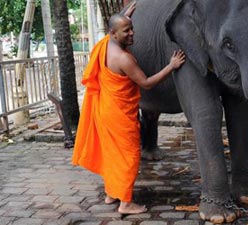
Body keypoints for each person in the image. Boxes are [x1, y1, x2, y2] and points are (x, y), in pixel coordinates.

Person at [72, 12, 185, 215]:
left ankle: (110, 194)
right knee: (129, 156)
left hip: (105, 110)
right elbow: (146, 83)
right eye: (127, 31)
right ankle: (125, 202)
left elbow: (114, 28)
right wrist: (171, 66)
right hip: (119, 116)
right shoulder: (124, 59)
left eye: (132, 28)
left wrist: (124, 16)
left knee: (112, 154)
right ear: (114, 33)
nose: (133, 34)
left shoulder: (104, 45)